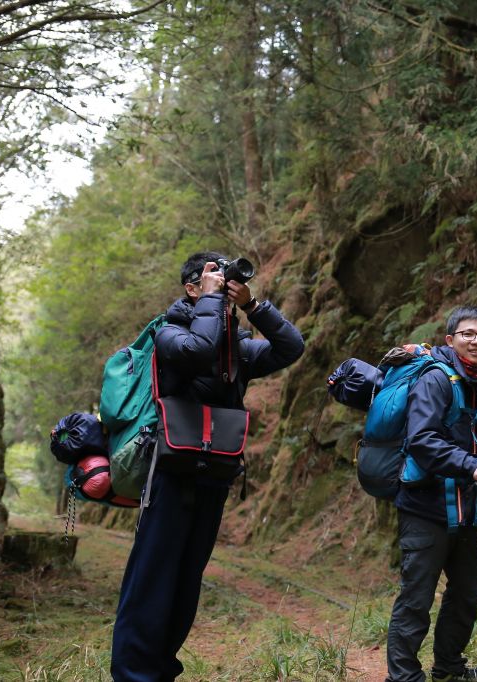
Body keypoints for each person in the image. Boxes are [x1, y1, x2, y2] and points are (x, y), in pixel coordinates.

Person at [111, 252, 304, 681]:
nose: (221, 281)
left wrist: (253, 306)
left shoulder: (238, 349)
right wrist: (213, 302)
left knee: (186, 580)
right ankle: (131, 674)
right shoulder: (169, 331)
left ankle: (161, 669)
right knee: (153, 577)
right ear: (191, 289)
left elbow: (292, 346)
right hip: (170, 472)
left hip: (214, 474)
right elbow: (198, 350)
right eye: (211, 276)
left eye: (224, 274)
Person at [386, 306, 477, 682]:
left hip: (465, 512)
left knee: (467, 591)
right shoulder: (435, 380)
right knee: (416, 599)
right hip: (425, 509)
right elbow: (422, 440)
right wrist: (470, 466)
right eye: (468, 334)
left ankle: (449, 670)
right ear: (451, 339)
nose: (476, 341)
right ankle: (404, 677)